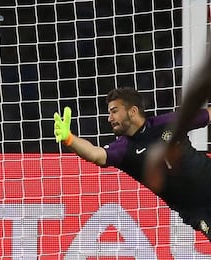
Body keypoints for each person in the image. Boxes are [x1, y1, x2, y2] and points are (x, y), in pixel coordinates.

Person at [54, 82, 211, 240]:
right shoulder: (123, 149)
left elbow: (207, 115)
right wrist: (69, 139)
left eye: (114, 111)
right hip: (198, 211)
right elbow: (96, 154)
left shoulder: (167, 123)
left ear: (133, 111)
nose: (110, 118)